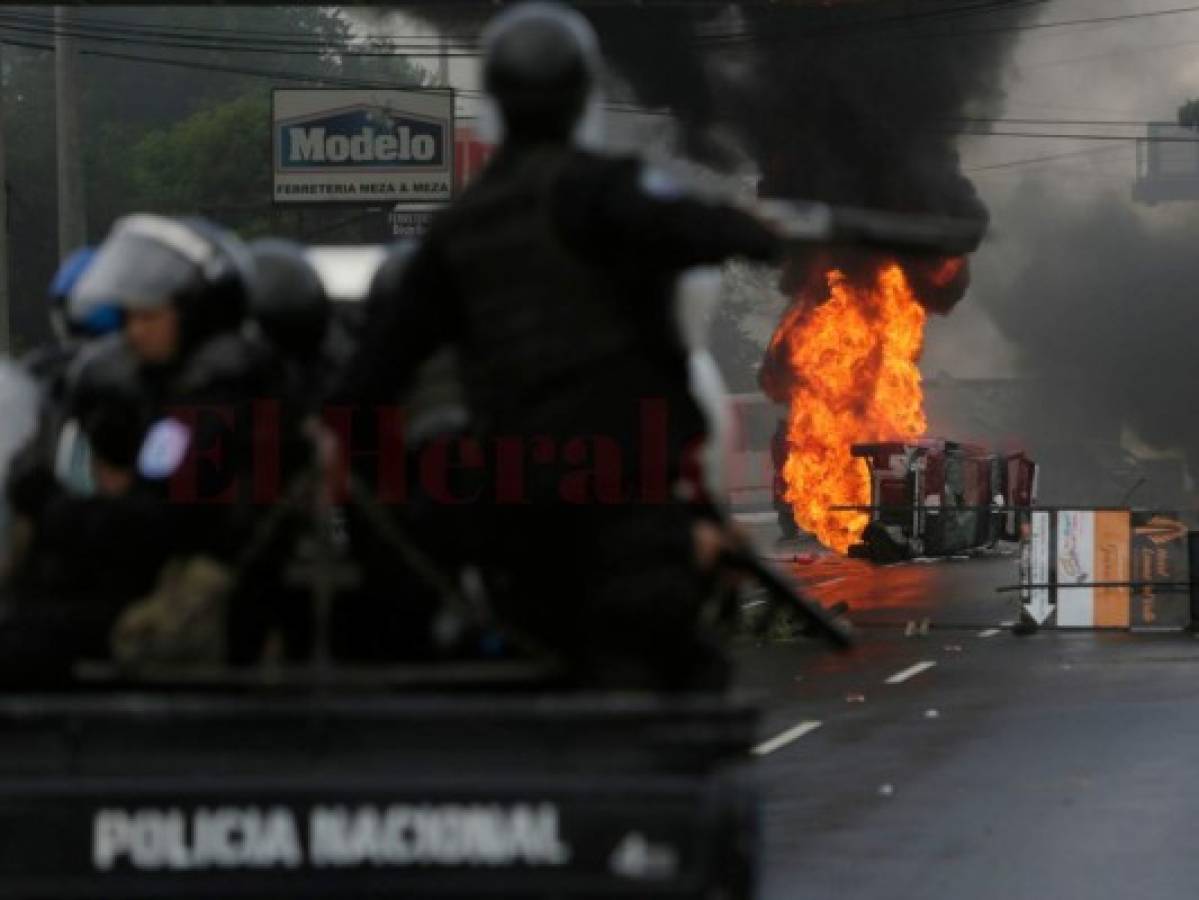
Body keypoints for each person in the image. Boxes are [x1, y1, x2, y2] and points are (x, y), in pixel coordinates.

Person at [337, 2, 786, 689]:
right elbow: (707, 230)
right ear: (580, 96)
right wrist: (757, 226)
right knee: (686, 684)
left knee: (517, 659)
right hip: (623, 517)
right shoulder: (610, 194)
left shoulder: (460, 229)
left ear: (495, 103)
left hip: (512, 521)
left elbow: (373, 373)